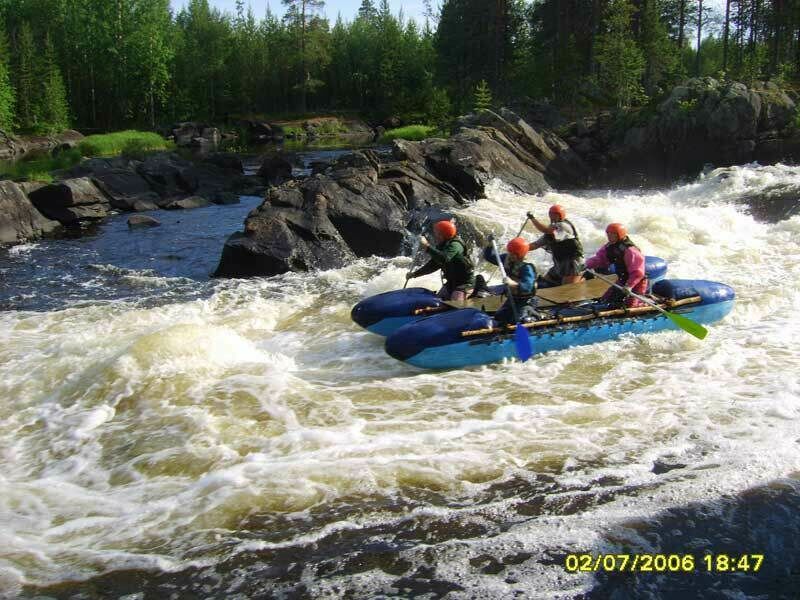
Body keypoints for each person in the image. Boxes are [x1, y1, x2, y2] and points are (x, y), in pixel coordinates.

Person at [406, 219, 475, 301]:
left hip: (465, 284)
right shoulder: (443, 245)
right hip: (452, 283)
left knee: (455, 303)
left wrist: (427, 246)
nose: (435, 236)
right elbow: (432, 265)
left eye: (437, 233)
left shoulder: (455, 245)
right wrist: (414, 274)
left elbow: (444, 258)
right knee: (437, 300)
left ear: (442, 235)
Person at [585, 222, 648, 308]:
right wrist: (586, 264)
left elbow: (638, 272)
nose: (609, 236)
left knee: (631, 305)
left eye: (613, 234)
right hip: (622, 280)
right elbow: (600, 259)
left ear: (619, 234)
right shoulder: (609, 247)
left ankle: (646, 303)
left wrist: (629, 286)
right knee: (606, 299)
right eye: (608, 233)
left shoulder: (630, 251)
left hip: (636, 283)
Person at [483, 236, 538, 324]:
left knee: (520, 320)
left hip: (526, 301)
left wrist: (512, 283)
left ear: (520, 255)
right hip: (513, 298)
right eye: (509, 252)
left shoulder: (527, 267)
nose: (510, 255)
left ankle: (533, 315)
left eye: (513, 254)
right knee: (499, 317)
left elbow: (527, 287)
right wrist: (490, 245)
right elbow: (489, 257)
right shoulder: (506, 259)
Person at [527, 204, 584, 286]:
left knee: (567, 289)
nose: (552, 217)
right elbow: (535, 245)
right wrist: (520, 248)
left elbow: (546, 230)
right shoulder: (550, 233)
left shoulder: (563, 226)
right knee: (544, 282)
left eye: (555, 215)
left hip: (572, 265)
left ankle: (583, 278)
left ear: (560, 216)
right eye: (551, 214)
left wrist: (532, 219)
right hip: (560, 265)